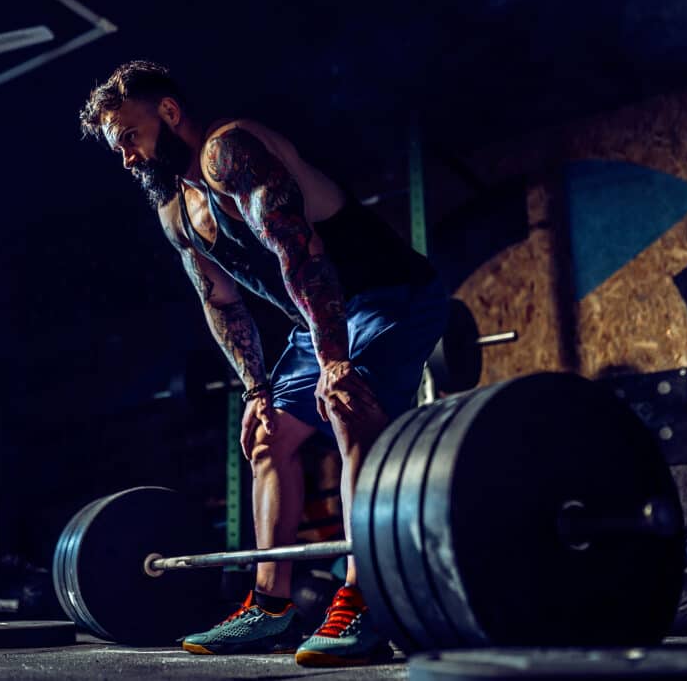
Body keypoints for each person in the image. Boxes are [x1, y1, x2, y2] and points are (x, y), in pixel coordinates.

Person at [79, 60, 447, 667]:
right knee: (267, 434)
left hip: (389, 296)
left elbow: (301, 256)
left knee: (348, 407)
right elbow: (220, 301)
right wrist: (256, 390)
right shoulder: (174, 207)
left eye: (131, 140)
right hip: (318, 318)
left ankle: (364, 598)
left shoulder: (232, 152)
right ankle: (269, 608)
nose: (128, 158)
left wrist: (335, 361)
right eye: (119, 148)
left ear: (169, 114)